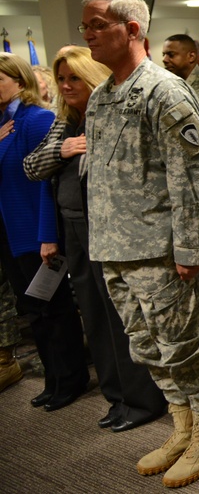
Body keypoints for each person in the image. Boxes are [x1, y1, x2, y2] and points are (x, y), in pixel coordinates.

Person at [82, 0, 199, 487]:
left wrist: (189, 249)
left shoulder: (165, 90)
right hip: (115, 248)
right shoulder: (102, 96)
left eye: (98, 25)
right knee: (147, 347)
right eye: (86, 26)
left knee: (183, 346)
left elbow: (193, 178)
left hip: (160, 252)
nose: (88, 34)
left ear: (133, 30)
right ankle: (182, 427)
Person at [24, 45, 167, 432]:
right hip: (74, 229)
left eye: (74, 78)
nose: (66, 86)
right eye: (61, 79)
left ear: (91, 77)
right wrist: (63, 148)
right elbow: (32, 166)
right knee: (94, 317)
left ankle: (143, 399)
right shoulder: (66, 120)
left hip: (111, 229)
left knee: (122, 318)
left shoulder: (112, 112)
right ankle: (116, 395)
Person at [0, 52, 90, 411]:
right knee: (33, 310)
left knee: (53, 308)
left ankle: (70, 378)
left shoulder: (36, 120)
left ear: (20, 82)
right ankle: (53, 378)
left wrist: (46, 234)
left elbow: (43, 184)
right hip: (9, 231)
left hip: (34, 230)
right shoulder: (4, 122)